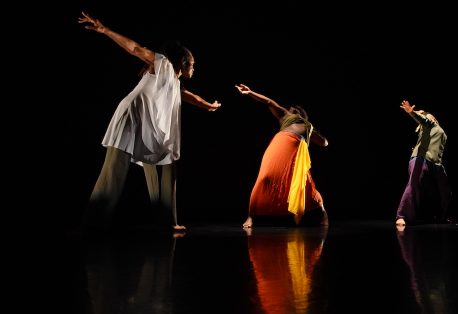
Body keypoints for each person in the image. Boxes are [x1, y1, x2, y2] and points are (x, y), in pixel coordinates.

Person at [78, 12, 222, 232]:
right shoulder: (161, 64)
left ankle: (167, 221)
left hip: (149, 127)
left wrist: (208, 105)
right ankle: (92, 223)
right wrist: (105, 30)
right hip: (131, 119)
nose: (194, 68)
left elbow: (188, 96)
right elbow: (135, 48)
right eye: (192, 64)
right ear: (183, 62)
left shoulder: (173, 81)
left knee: (167, 162)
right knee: (114, 171)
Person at [235, 84, 329, 228]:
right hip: (280, 145)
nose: (288, 109)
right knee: (264, 177)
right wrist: (250, 92)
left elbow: (324, 143)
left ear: (299, 112)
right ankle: (251, 217)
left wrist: (316, 136)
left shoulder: (308, 126)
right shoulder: (286, 116)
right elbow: (269, 102)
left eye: (292, 109)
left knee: (305, 183)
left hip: (297, 153)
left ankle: (322, 213)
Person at [395, 100, 450, 227]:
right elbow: (423, 119)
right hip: (421, 158)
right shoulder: (428, 125)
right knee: (413, 185)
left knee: (444, 190)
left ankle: (442, 216)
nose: (428, 116)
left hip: (436, 163)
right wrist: (412, 112)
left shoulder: (440, 131)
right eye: (426, 116)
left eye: (428, 115)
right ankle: (401, 215)